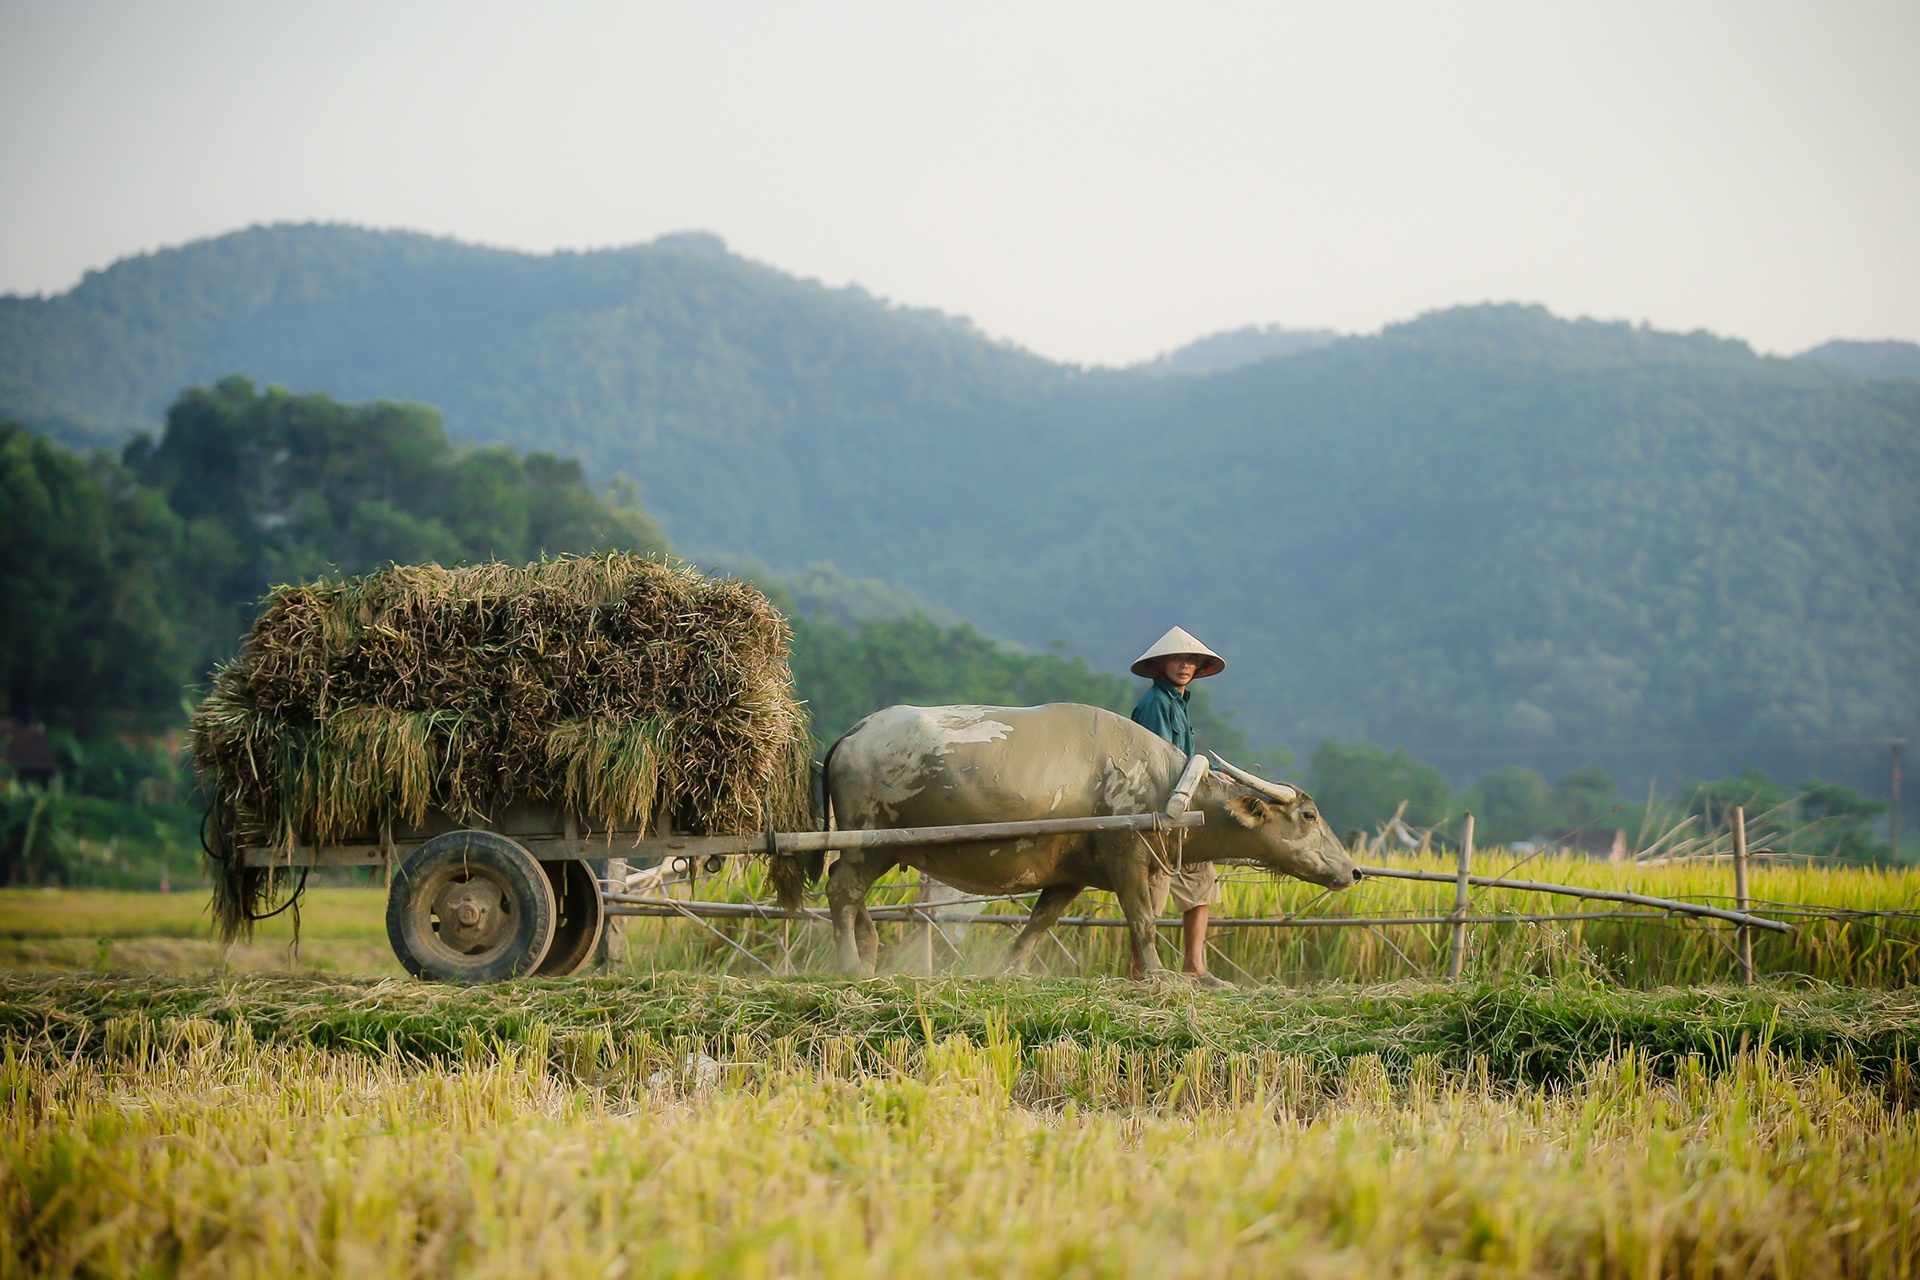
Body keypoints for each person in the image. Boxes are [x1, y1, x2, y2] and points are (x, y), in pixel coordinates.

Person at [1128, 625, 1230, 987]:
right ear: (1161, 666)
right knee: (1151, 893)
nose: (1184, 666)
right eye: (1176, 659)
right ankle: (1141, 973)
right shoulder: (1156, 703)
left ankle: (1195, 968)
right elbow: (1162, 762)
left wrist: (1215, 772)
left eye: (1189, 660)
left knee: (1201, 882)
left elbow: (1186, 756)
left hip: (1182, 810)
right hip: (1161, 810)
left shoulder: (1178, 702)